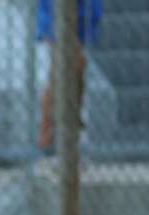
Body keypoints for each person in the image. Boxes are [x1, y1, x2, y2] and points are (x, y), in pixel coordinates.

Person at [38, 0, 104, 153]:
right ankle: (49, 134)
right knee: (67, 67)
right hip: (59, 15)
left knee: (72, 70)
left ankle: (63, 132)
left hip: (83, 15)